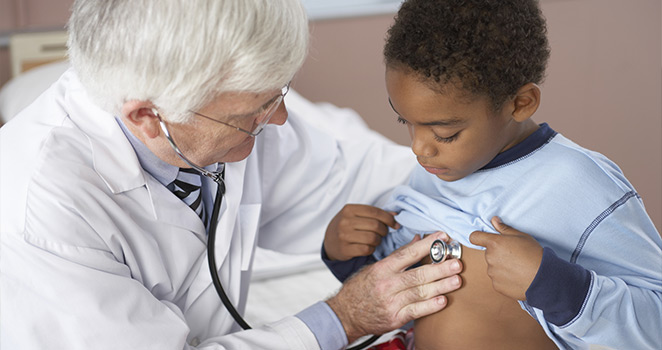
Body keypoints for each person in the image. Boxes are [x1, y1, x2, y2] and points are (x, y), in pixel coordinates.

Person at [0, 1, 465, 349]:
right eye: (255, 110)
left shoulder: (229, 114)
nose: (279, 119)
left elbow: (362, 173)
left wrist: (493, 172)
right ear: (147, 116)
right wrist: (343, 318)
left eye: (278, 94)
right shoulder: (39, 211)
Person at [322, 0, 662, 349]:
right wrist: (348, 254)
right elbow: (403, 289)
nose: (419, 148)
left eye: (445, 133)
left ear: (520, 103)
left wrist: (553, 284)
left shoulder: (578, 185)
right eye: (405, 122)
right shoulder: (437, 172)